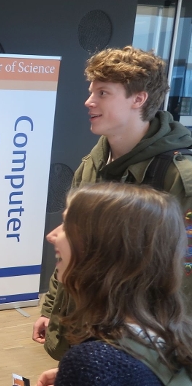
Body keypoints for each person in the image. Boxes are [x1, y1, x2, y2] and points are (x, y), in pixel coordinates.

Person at [33, 46, 192, 361]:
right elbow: (72, 244)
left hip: (140, 349)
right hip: (84, 329)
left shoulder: (179, 178)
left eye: (103, 92)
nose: (88, 101)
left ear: (138, 98)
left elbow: (185, 278)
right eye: (92, 91)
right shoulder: (92, 163)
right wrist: (52, 308)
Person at [37, 182, 192, 385]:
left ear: (103, 247)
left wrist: (86, 374)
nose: (52, 236)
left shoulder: (93, 363)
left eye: (67, 224)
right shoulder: (176, 335)